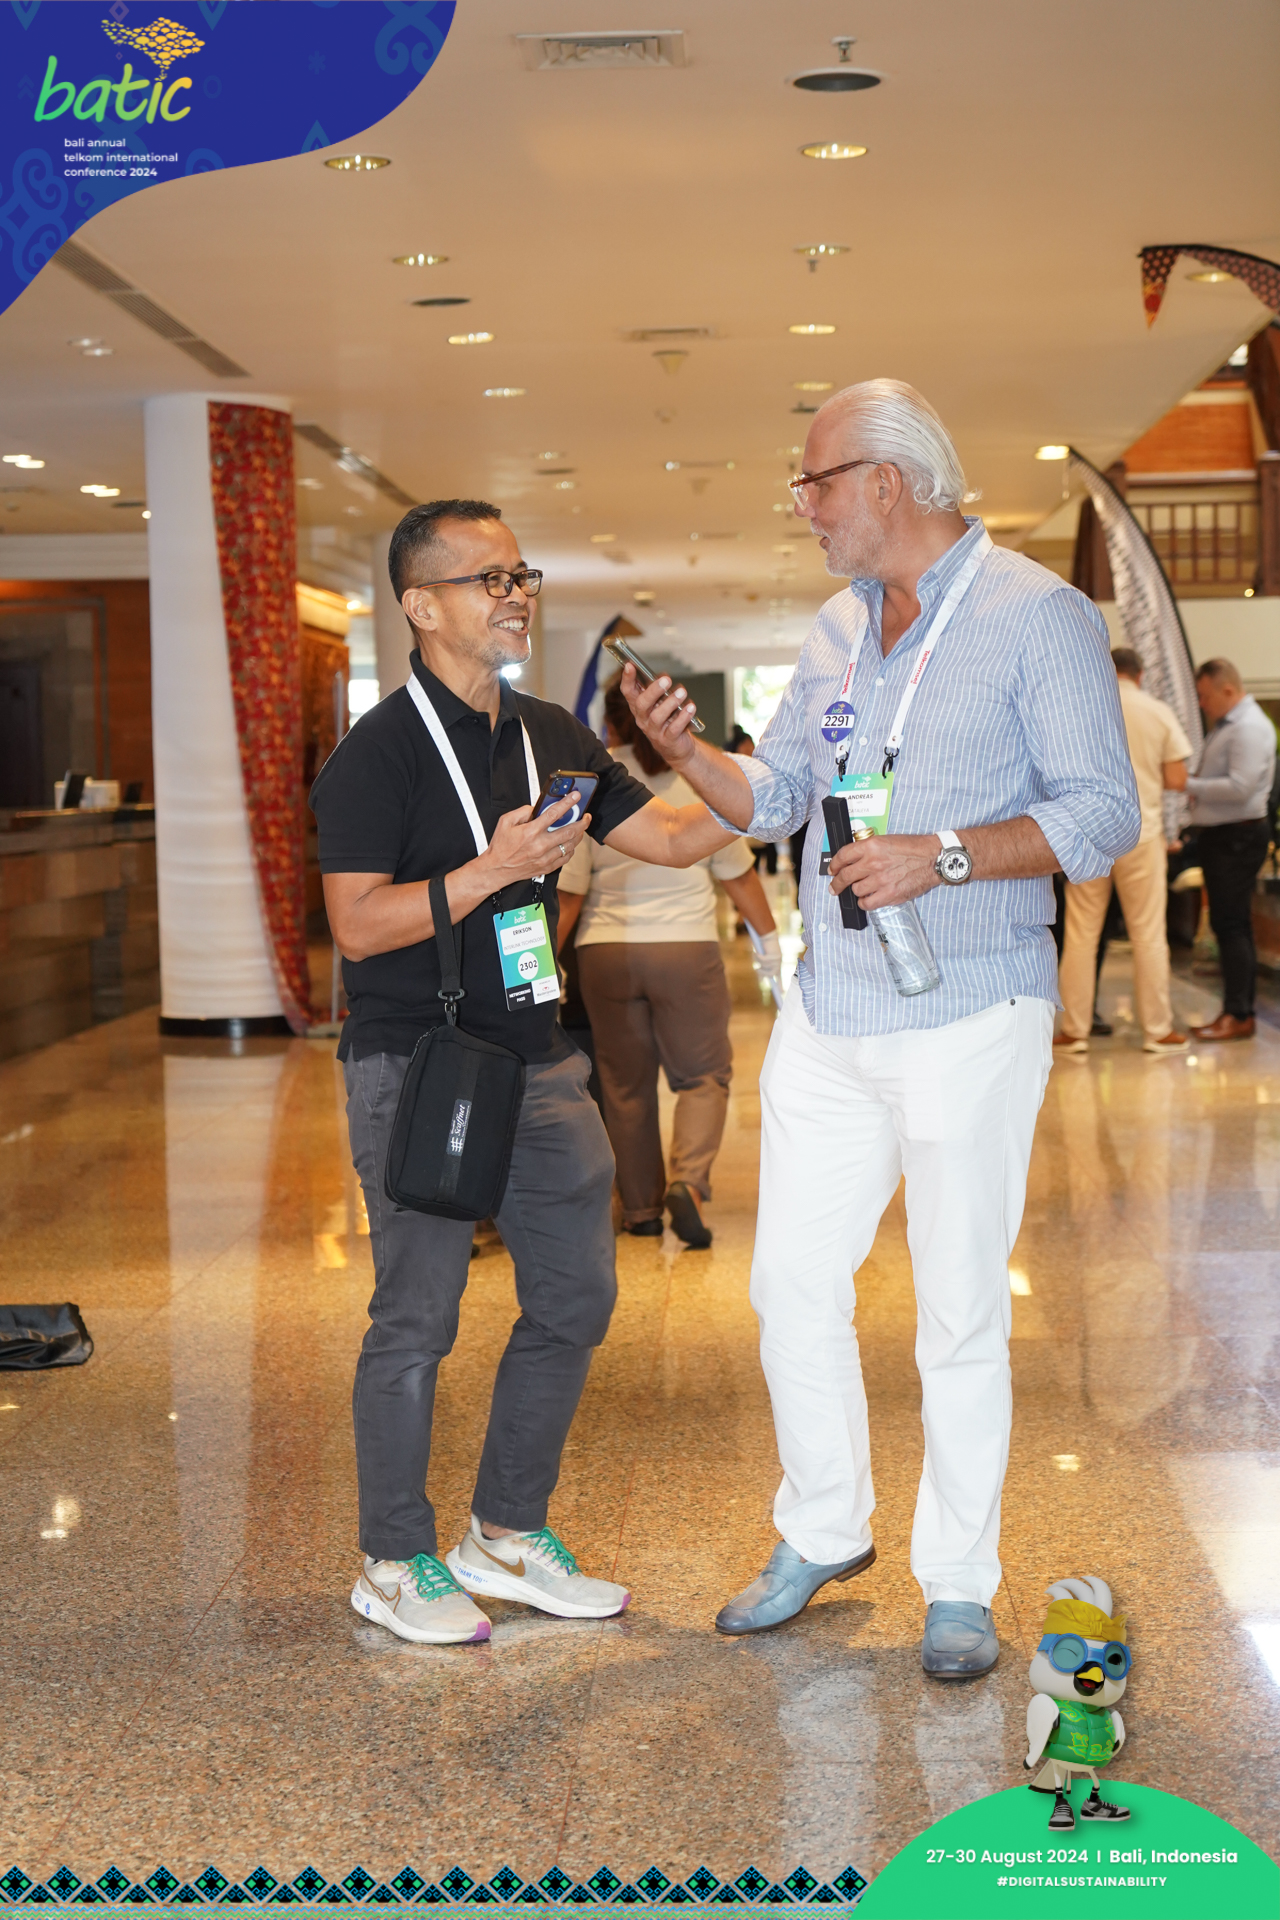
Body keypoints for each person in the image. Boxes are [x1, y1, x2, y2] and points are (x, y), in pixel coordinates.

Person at [621, 380, 1140, 1675]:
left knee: (958, 1309)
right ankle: (823, 1527)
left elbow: (1100, 814)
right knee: (788, 1284)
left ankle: (958, 1581)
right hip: (830, 1010)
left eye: (814, 482)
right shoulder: (835, 629)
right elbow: (780, 793)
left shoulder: (1036, 615)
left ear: (886, 482)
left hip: (971, 1005)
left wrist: (943, 854)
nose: (802, 506)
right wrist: (691, 758)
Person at [311, 498, 738, 1646]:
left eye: (519, 575)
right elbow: (355, 926)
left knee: (577, 1297)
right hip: (418, 1063)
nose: (514, 596)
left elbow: (671, 839)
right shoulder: (375, 753)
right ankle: (391, 1558)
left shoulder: (552, 732)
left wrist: (733, 770)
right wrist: (489, 869)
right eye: (486, 578)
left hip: (538, 1059)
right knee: (417, 1318)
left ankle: (504, 1533)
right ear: (419, 604)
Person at [557, 677, 781, 1248]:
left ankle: (641, 1210)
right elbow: (738, 874)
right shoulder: (697, 773)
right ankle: (689, 1183)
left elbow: (570, 891)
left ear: (611, 724)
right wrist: (769, 944)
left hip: (604, 953)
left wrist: (546, 961)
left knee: (623, 1086)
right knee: (702, 1076)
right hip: (686, 947)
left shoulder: (597, 777)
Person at [1056, 648, 1192, 1055]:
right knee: (1148, 933)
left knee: (1081, 934)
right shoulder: (1157, 711)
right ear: (1140, 674)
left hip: (1091, 833)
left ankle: (1074, 1031)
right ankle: (1157, 1030)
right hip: (1142, 833)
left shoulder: (1083, 710)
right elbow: (1177, 778)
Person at [1182, 658, 1277, 1042]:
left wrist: (1187, 784)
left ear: (1227, 689)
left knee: (1232, 925)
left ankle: (1239, 1013)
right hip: (1225, 836)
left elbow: (1240, 787)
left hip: (1237, 837)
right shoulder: (1230, 725)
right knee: (1229, 923)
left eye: (1205, 696)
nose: (1202, 703)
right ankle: (1236, 1011)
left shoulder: (1249, 727)